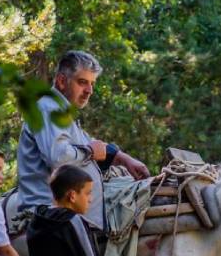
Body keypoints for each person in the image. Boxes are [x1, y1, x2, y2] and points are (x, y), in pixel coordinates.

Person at [16, 50, 150, 237]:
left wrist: (123, 158)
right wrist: (89, 152)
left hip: (71, 220)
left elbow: (94, 146)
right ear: (62, 81)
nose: (89, 90)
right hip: (54, 221)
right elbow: (58, 157)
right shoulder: (48, 108)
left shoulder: (63, 115)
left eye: (92, 84)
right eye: (82, 82)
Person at [25, 165, 152, 256]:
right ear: (72, 196)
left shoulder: (38, 216)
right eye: (87, 193)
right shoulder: (72, 221)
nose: (90, 199)